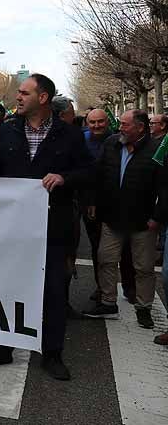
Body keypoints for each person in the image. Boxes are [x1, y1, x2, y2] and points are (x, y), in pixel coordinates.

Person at [0, 73, 93, 381]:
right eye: (18, 93)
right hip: (12, 228)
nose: (18, 97)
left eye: (24, 93)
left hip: (53, 226)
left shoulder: (70, 134)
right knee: (5, 286)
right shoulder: (8, 131)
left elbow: (89, 170)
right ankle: (2, 346)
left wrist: (64, 178)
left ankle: (52, 354)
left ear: (43, 98)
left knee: (53, 291)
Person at [83, 110, 166, 331]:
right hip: (111, 217)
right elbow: (97, 173)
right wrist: (92, 201)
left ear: (140, 128)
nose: (120, 128)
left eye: (125, 125)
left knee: (144, 267)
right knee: (106, 260)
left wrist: (157, 218)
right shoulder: (111, 144)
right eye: (120, 124)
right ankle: (108, 302)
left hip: (143, 222)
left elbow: (164, 187)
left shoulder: (157, 150)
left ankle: (144, 308)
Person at [82, 109, 134, 303]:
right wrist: (90, 201)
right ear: (87, 123)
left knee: (127, 248)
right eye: (92, 122)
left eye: (100, 122)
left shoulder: (119, 140)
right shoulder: (82, 141)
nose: (96, 126)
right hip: (90, 202)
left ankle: (130, 287)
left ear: (108, 121)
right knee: (98, 249)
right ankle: (102, 287)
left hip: (118, 203)